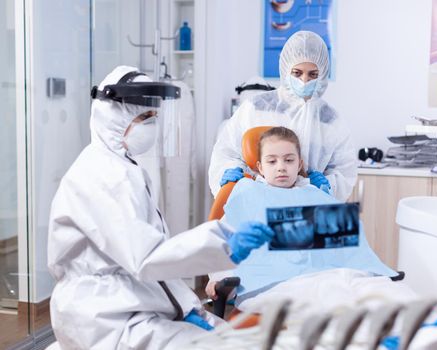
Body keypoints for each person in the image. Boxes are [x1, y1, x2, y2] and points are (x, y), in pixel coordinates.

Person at [47, 66, 274, 349]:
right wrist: (225, 243)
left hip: (130, 300)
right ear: (112, 118)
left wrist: (186, 306)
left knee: (230, 336)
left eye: (154, 117)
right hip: (102, 315)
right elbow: (147, 258)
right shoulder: (104, 176)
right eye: (143, 117)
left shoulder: (126, 168)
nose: (151, 126)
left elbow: (151, 263)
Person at [205, 127, 410, 313]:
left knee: (384, 292)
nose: (281, 167)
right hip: (274, 284)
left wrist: (327, 204)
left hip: (331, 274)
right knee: (340, 304)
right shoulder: (248, 193)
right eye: (272, 161)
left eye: (289, 160)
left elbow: (350, 247)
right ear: (259, 166)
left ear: (299, 163)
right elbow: (223, 239)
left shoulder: (313, 192)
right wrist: (216, 278)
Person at [209, 30, 357, 202]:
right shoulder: (256, 108)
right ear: (287, 70)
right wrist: (229, 172)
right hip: (256, 203)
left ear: (322, 74)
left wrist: (327, 186)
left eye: (312, 74)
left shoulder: (331, 121)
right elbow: (227, 153)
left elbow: (344, 171)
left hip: (307, 209)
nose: (304, 80)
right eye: (297, 73)